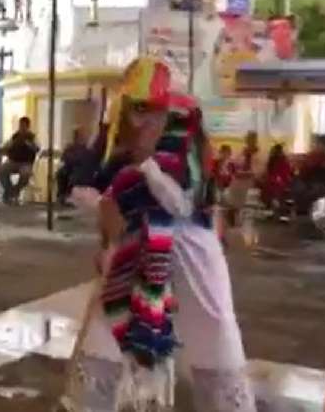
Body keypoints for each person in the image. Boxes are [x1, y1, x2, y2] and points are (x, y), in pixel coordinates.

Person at [62, 58, 255, 412]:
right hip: (134, 252)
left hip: (193, 252)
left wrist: (147, 162)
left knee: (216, 345)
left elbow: (184, 203)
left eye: (151, 109)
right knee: (104, 344)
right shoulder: (117, 134)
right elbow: (81, 187)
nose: (143, 119)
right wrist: (106, 211)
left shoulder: (184, 133)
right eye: (137, 108)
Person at [0, 116, 39, 204]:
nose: (21, 128)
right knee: (1, 171)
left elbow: (37, 148)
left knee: (26, 173)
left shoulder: (32, 137)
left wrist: (28, 143)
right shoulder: (15, 136)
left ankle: (15, 191)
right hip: (13, 161)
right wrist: (5, 149)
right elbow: (7, 146)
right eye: (20, 125)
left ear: (27, 126)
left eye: (23, 126)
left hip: (26, 163)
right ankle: (9, 190)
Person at [226, 131, 263, 225]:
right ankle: (233, 211)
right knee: (234, 185)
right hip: (240, 176)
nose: (249, 141)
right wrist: (234, 168)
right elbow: (234, 161)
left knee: (242, 187)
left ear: (255, 141)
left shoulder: (259, 153)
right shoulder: (242, 151)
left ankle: (236, 211)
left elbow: (259, 170)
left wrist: (250, 173)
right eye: (248, 139)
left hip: (250, 178)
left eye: (252, 139)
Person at [57, 126, 98, 205]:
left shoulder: (88, 151)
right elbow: (66, 159)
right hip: (79, 178)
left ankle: (63, 197)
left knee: (61, 173)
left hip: (78, 179)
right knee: (61, 173)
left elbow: (67, 160)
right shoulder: (86, 150)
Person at [261, 144, 293, 213]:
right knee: (271, 197)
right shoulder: (275, 159)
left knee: (275, 197)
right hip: (274, 181)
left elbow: (285, 172)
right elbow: (270, 171)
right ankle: (272, 210)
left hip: (277, 182)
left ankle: (274, 210)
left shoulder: (281, 160)